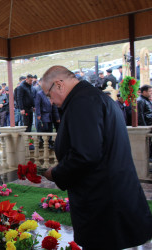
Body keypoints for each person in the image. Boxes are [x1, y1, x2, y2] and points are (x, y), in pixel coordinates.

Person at [41, 65, 152, 249]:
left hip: (102, 200)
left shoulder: (82, 102)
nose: (50, 101)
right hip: (111, 194)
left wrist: (56, 173)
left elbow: (85, 155)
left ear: (59, 84)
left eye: (48, 94)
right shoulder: (93, 97)